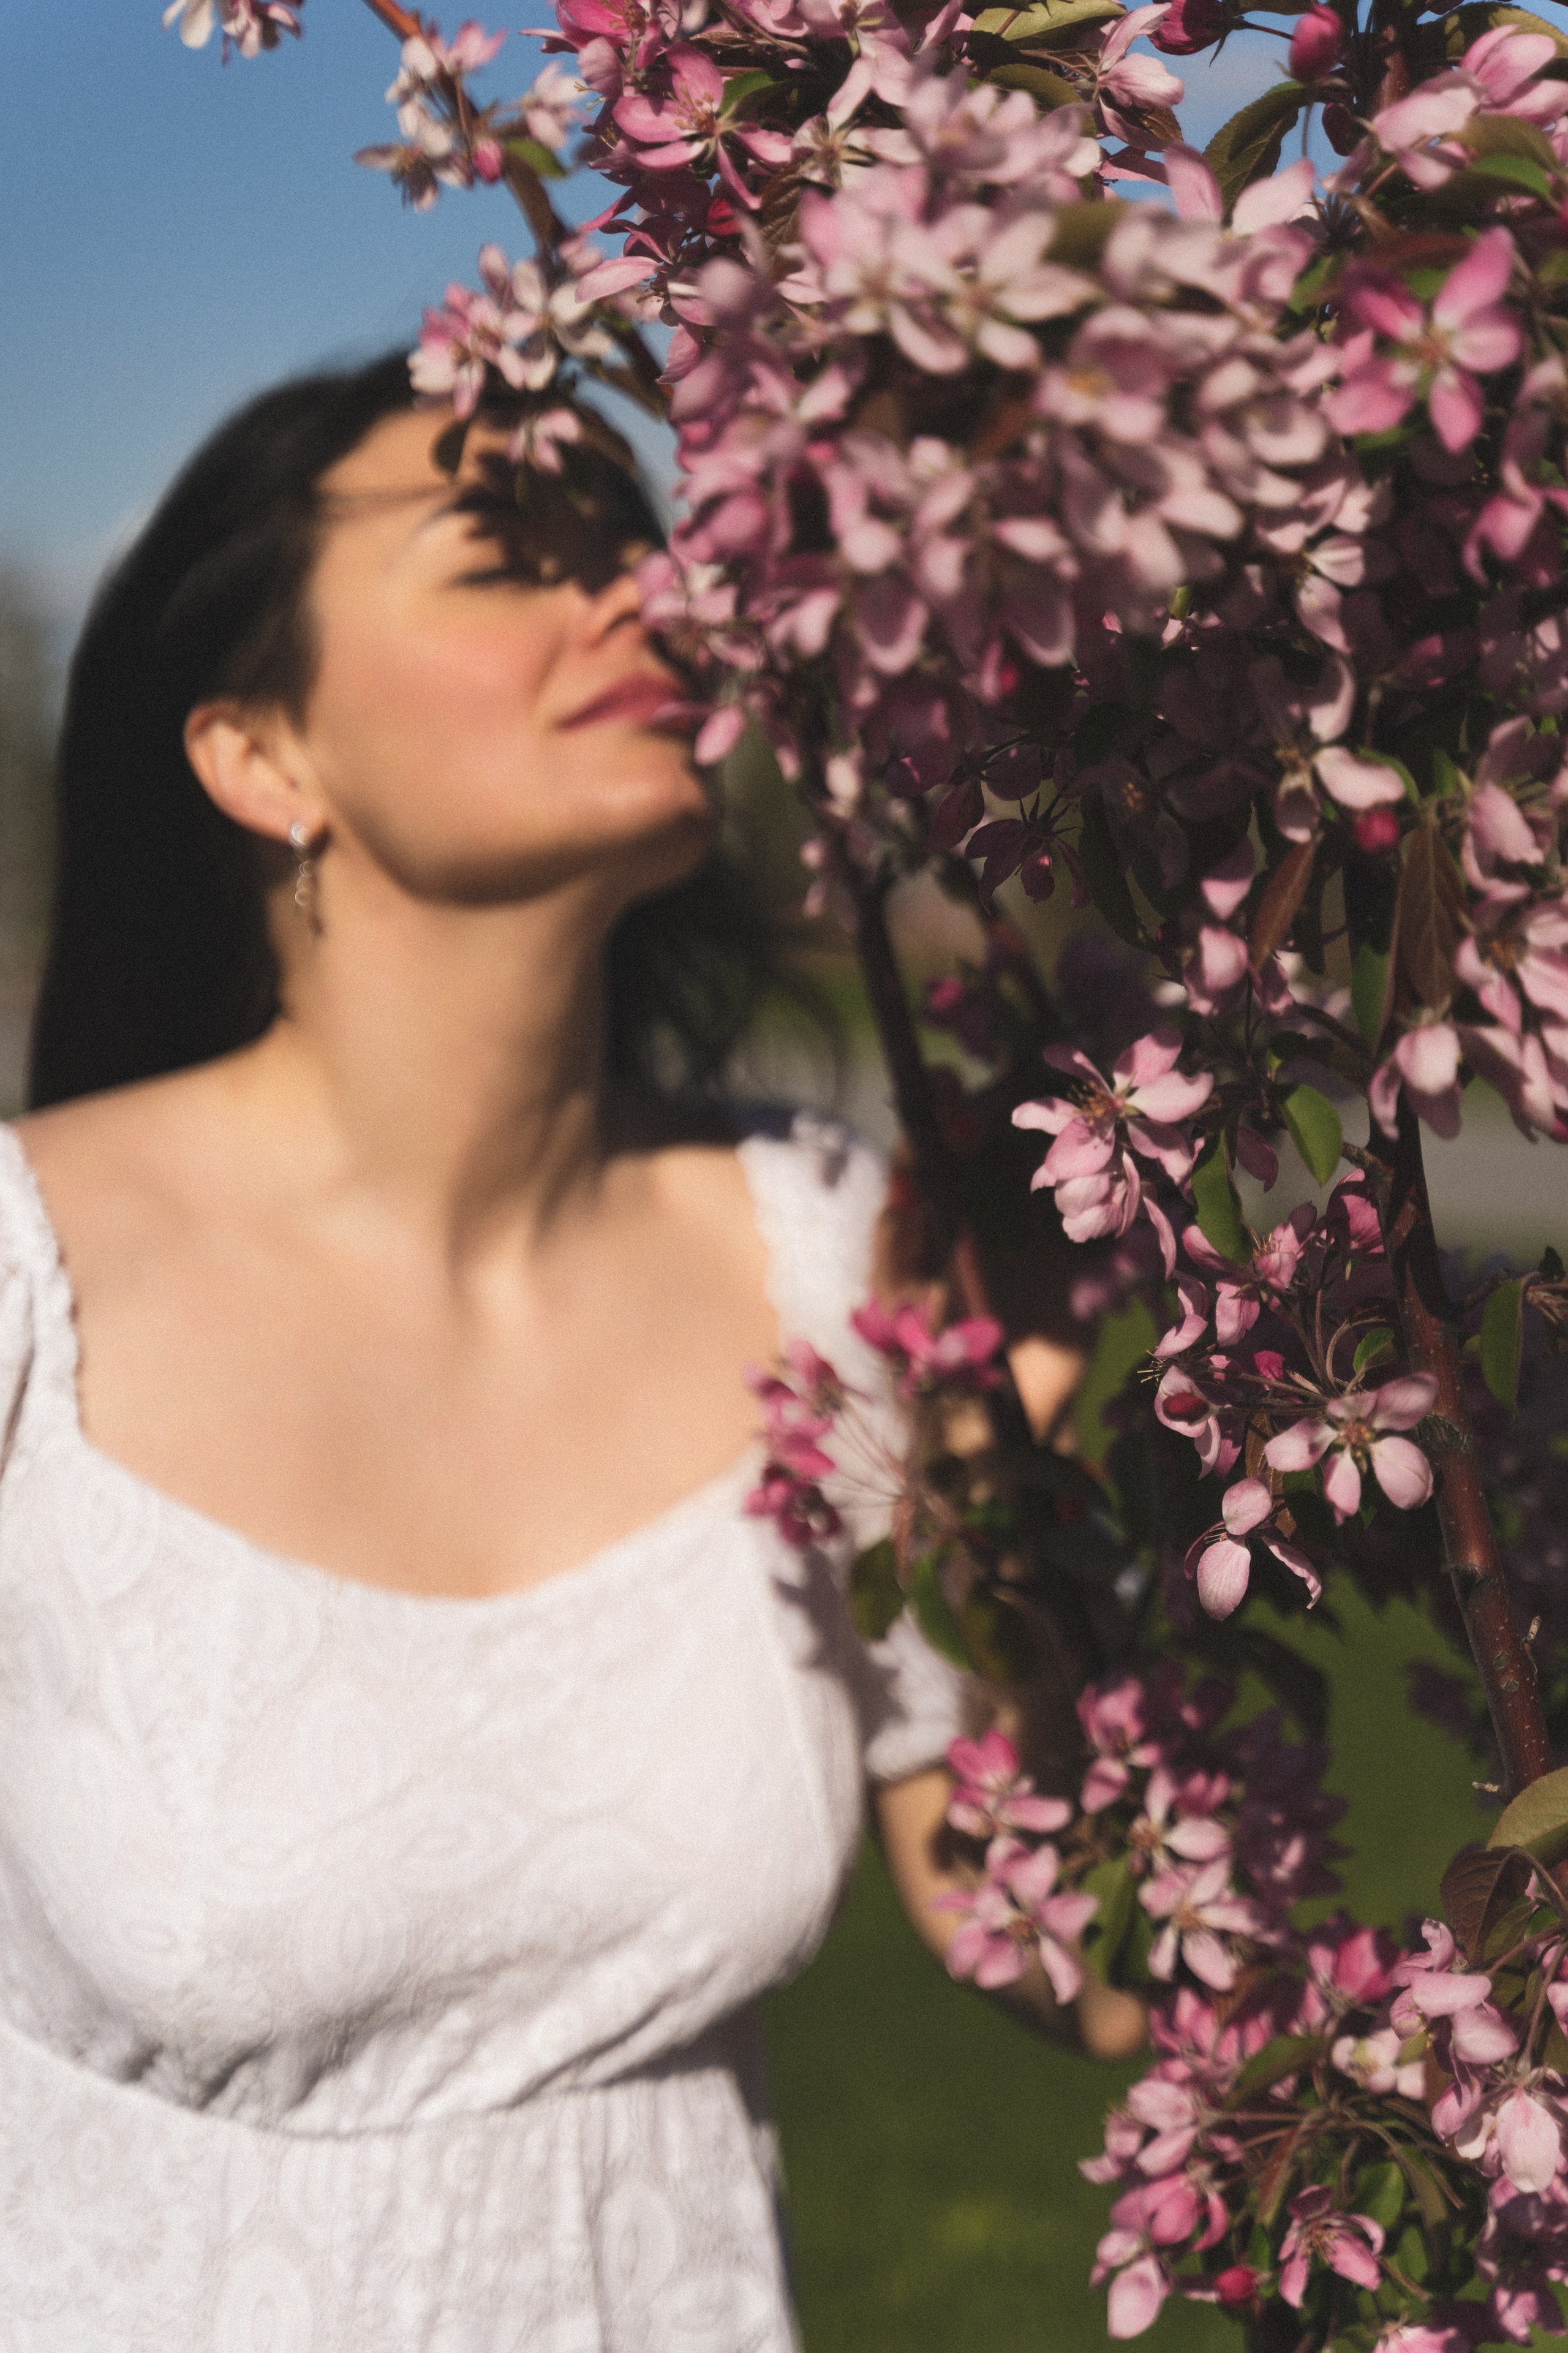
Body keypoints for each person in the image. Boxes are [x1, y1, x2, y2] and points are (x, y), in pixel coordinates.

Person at [0, 354, 1140, 2347]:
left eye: (644, 542)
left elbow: (1068, 1957)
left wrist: (1003, 1481)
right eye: (513, 553)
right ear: (263, 755)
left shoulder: (824, 1250)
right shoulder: (31, 1276)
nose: (647, 602)